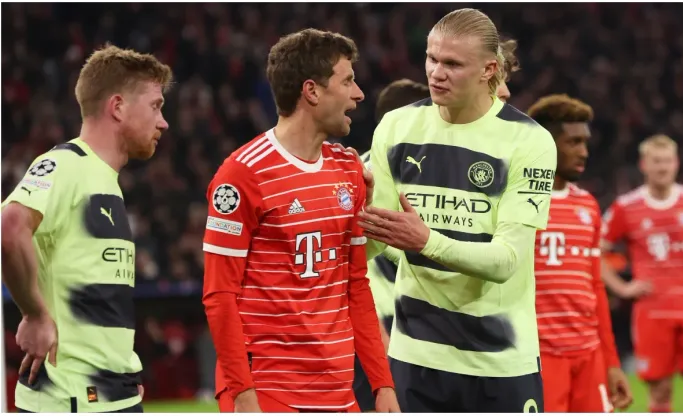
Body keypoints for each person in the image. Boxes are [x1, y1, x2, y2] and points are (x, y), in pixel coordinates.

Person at [357, 8, 557, 412]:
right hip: (416, 357)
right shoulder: (396, 129)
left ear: (489, 69)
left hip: (501, 359)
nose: (436, 72)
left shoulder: (528, 141)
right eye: (432, 58)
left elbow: (507, 261)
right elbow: (374, 243)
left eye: (452, 64)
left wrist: (426, 240)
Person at [201, 28, 399, 413]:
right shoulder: (242, 174)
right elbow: (220, 295)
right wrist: (242, 393)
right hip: (269, 390)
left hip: (339, 391)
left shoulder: (349, 169)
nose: (358, 94)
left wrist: (382, 384)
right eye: (348, 81)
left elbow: (355, 285)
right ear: (312, 91)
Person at [1, 44, 172, 412]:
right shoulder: (67, 165)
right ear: (117, 106)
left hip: (109, 394)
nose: (163, 122)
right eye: (156, 106)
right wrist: (33, 313)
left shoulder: (102, 177)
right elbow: (9, 226)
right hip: (72, 399)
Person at [600, 134, 683, 413]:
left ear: (676, 164)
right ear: (644, 165)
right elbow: (596, 251)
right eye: (656, 161)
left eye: (667, 161)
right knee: (660, 395)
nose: (662, 167)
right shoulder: (626, 206)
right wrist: (623, 289)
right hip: (652, 312)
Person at [526, 94, 633, 412]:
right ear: (546, 142)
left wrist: (611, 362)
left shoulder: (587, 205)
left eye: (585, 142)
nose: (584, 151)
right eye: (573, 142)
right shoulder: (519, 201)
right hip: (539, 357)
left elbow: (595, 287)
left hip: (589, 355)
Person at [352, 78, 430, 412]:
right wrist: (379, 342)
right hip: (379, 340)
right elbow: (356, 265)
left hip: (414, 341)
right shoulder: (362, 177)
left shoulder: (419, 175)